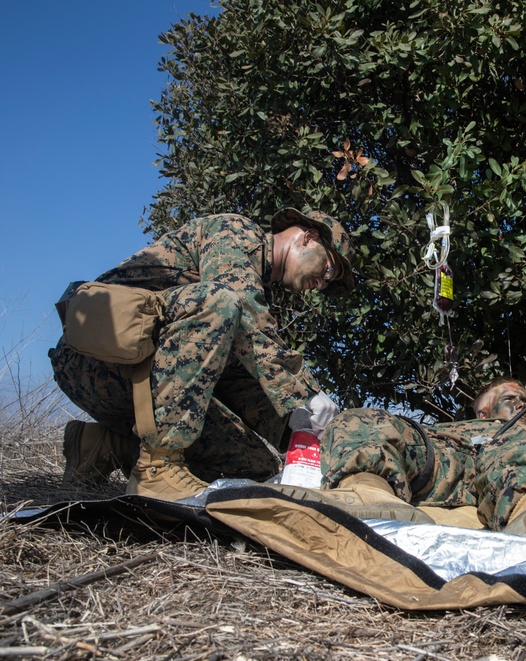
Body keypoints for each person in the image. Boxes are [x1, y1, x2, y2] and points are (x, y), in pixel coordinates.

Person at [51, 208, 354, 501]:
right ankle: (157, 469)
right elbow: (242, 314)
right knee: (221, 302)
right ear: (309, 237)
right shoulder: (236, 232)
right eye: (328, 270)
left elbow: (234, 375)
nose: (321, 284)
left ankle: (105, 447)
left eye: (328, 284)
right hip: (93, 361)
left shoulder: (255, 291)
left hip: (144, 376)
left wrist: (291, 422)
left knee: (254, 468)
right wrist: (305, 391)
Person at [298, 378, 526, 540]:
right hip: (444, 463)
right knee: (362, 418)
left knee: (522, 446)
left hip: (514, 470)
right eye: (513, 400)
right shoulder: (456, 428)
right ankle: (368, 495)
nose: (523, 406)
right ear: (482, 410)